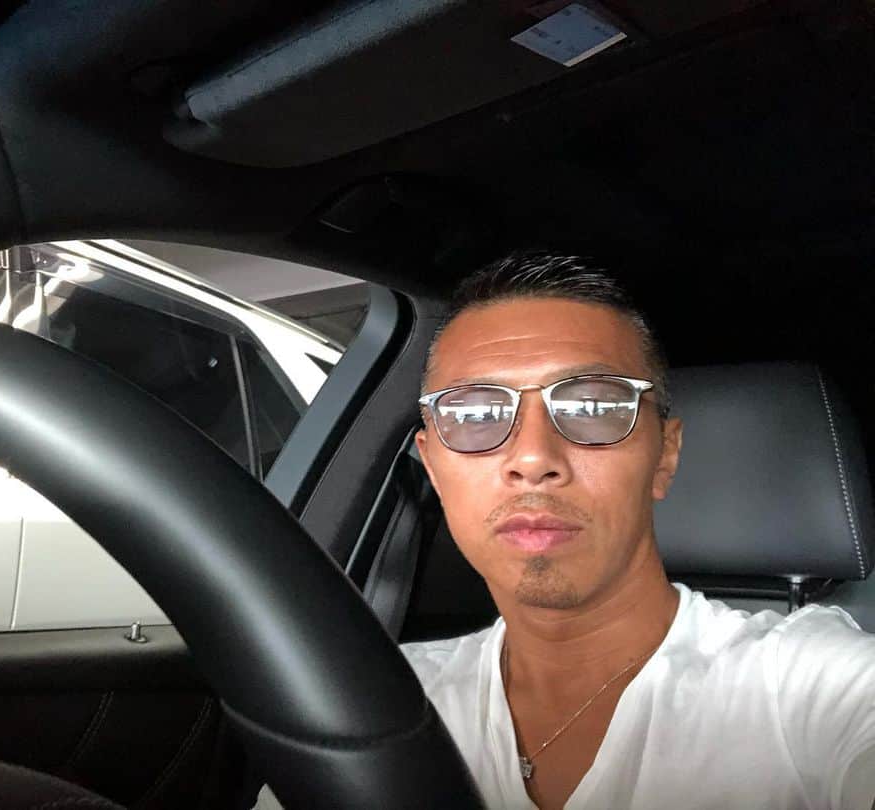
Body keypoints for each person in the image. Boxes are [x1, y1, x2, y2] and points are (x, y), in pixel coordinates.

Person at [254, 253, 875, 810]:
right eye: (476, 412)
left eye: (593, 406)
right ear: (434, 469)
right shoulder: (379, 705)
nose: (532, 457)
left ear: (665, 455)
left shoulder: (814, 687)